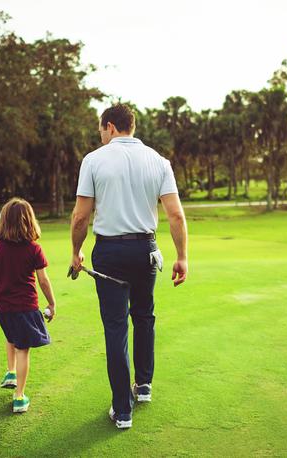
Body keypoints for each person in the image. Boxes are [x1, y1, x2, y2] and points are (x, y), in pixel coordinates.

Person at [70, 103, 189, 429]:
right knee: (144, 316)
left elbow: (81, 216)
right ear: (131, 126)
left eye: (100, 130)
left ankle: (123, 410)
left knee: (116, 328)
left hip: (109, 252)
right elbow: (175, 214)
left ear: (109, 126)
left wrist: (75, 251)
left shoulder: (94, 160)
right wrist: (182, 256)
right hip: (146, 250)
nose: (101, 135)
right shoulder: (158, 161)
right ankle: (144, 385)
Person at [0, 197, 57, 413]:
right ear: (29, 221)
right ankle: (19, 397)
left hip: (3, 309)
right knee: (23, 348)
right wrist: (52, 302)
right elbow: (43, 280)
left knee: (11, 337)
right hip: (26, 307)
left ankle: (11, 372)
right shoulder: (34, 249)